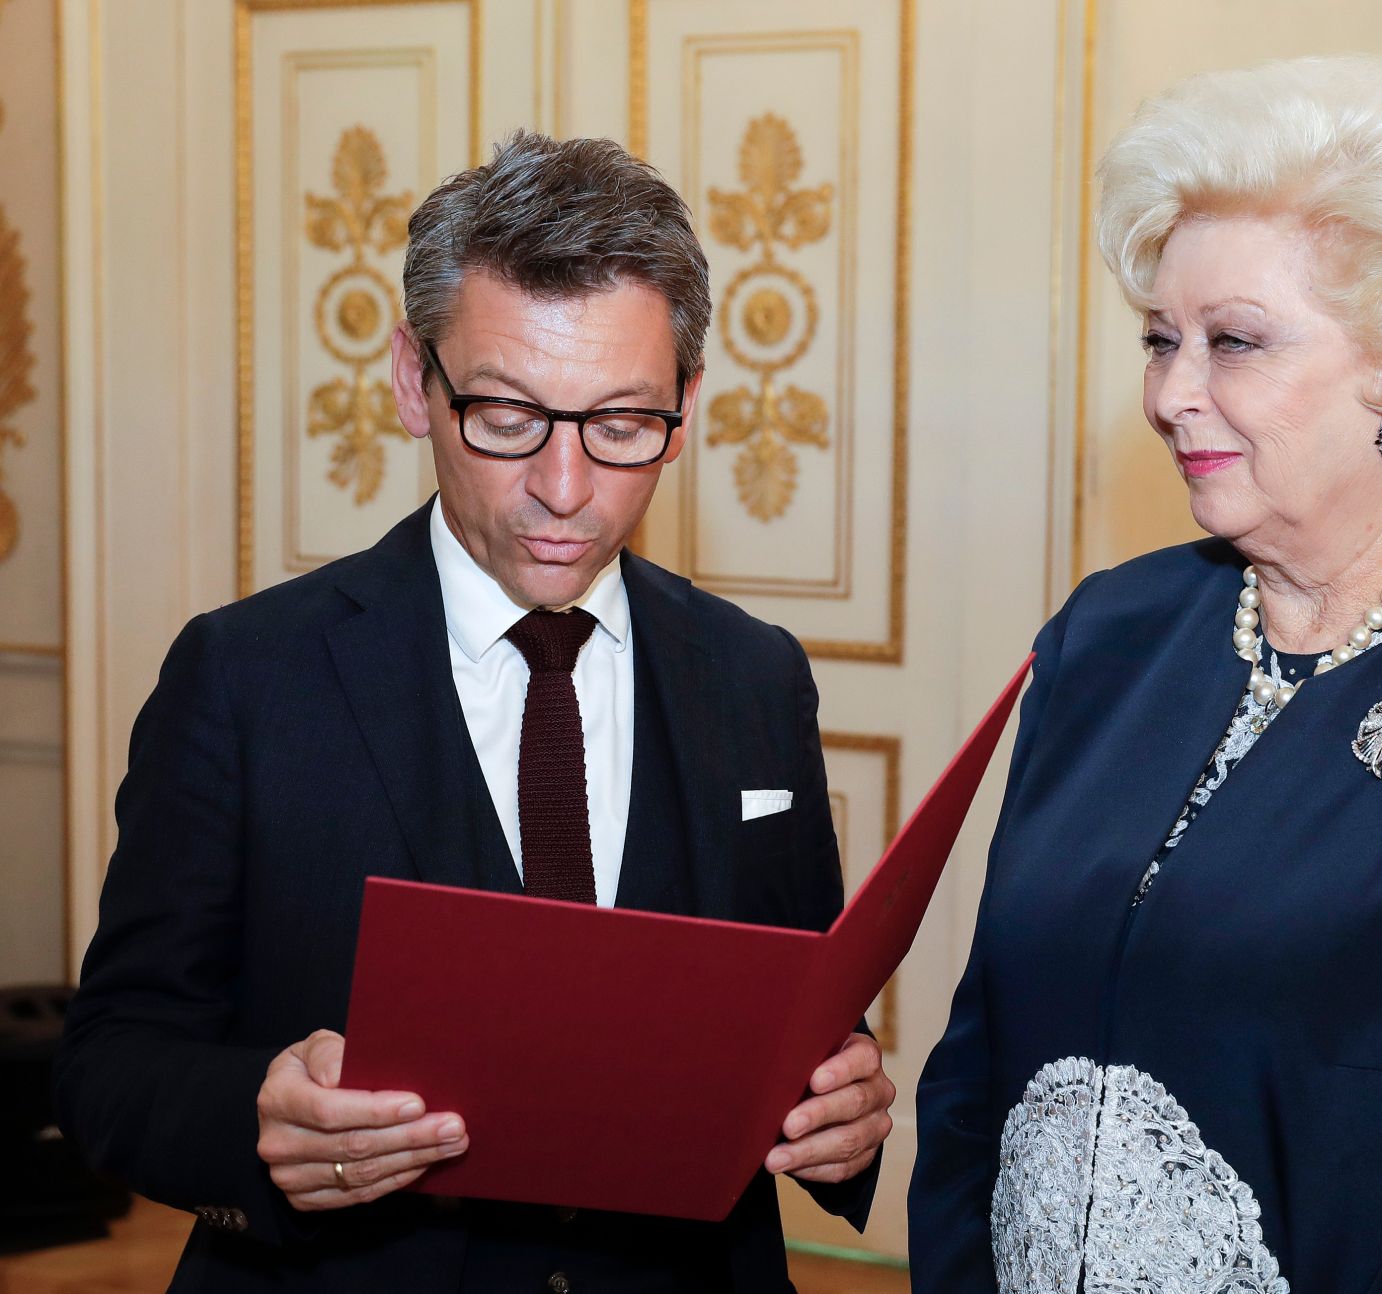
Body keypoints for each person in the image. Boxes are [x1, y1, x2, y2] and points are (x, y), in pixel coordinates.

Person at [55, 130, 895, 1293]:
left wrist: (843, 1104)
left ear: (687, 404)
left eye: (620, 425)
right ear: (413, 381)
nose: (562, 487)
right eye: (505, 415)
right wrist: (257, 1120)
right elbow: (112, 1064)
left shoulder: (754, 676)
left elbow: (798, 1017)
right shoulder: (243, 677)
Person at [909, 54, 1382, 1293]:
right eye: (1160, 338)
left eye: (1235, 342)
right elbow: (976, 1057)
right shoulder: (1106, 632)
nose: (1171, 393)